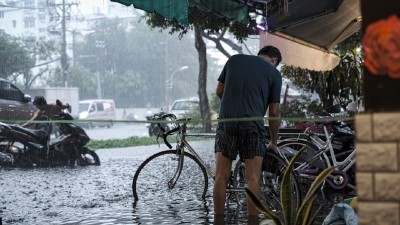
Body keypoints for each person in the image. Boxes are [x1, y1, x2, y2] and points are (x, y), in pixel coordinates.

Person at [213, 45, 282, 218]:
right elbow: (273, 112)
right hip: (253, 128)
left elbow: (219, 91)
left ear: (260, 54)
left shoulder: (234, 60)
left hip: (227, 123)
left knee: (221, 175)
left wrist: (233, 102)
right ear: (274, 60)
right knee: (253, 178)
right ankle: (252, 221)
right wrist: (273, 141)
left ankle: (218, 221)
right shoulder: (274, 73)